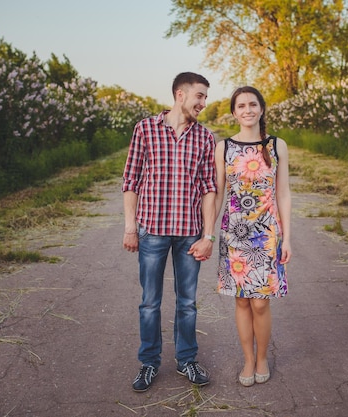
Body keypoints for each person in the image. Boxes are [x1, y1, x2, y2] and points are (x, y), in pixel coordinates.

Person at [122, 72, 217, 392]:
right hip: (152, 233)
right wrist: (130, 227)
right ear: (180, 94)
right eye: (200, 96)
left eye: (206, 97)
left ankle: (186, 359)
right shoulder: (145, 129)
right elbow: (130, 181)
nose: (204, 102)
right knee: (150, 302)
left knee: (187, 302)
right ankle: (149, 363)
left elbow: (208, 188)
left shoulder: (205, 137)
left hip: (189, 234)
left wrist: (208, 235)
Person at [214, 86, 291, 387]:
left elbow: (283, 194)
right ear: (234, 113)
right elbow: (218, 194)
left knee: (260, 302)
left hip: (267, 234)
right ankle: (248, 359)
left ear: (261, 109)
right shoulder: (224, 147)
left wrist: (289, 238)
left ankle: (263, 358)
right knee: (242, 302)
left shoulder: (276, 146)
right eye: (241, 106)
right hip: (234, 234)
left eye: (252, 104)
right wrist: (208, 233)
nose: (247, 110)